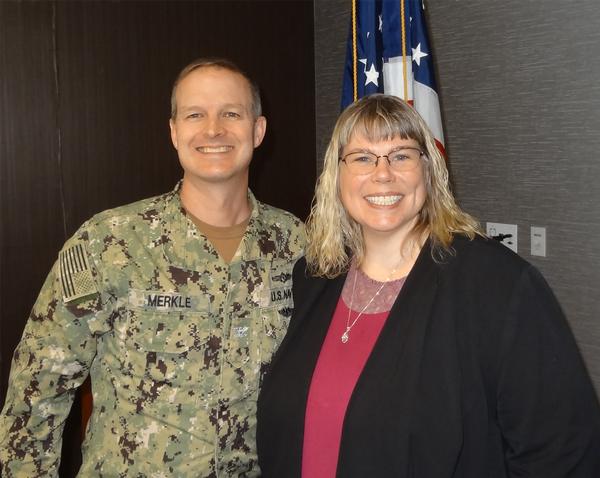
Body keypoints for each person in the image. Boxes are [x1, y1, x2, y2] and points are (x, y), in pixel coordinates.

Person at [257, 94, 600, 477]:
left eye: (401, 154)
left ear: (429, 170)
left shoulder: (497, 285)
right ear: (336, 178)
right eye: (362, 158)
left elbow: (563, 451)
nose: (383, 173)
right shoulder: (316, 276)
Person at [0, 58, 304, 477]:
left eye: (231, 113)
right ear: (174, 131)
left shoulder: (296, 244)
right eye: (195, 114)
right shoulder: (108, 242)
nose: (213, 129)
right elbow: (37, 389)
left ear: (258, 130)